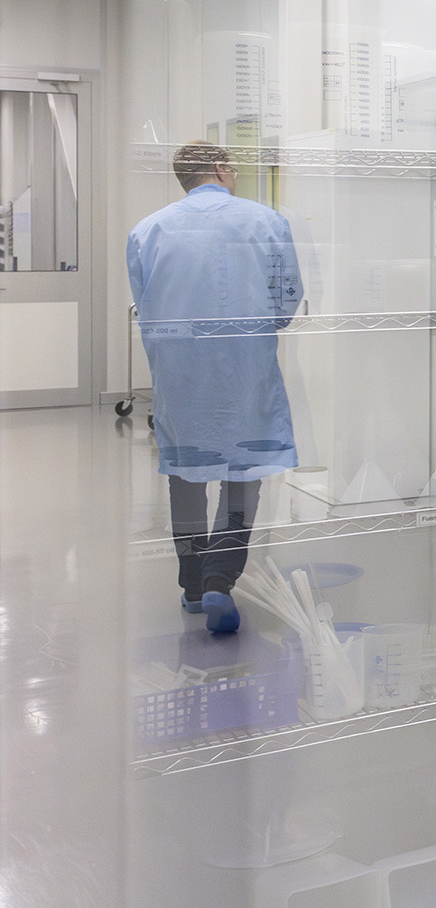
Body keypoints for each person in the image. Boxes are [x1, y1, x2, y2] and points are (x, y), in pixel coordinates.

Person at [129, 142, 302, 634]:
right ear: (224, 170)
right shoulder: (266, 221)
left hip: (179, 370)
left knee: (184, 472)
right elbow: (287, 301)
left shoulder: (147, 230)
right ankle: (219, 580)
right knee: (242, 470)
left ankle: (190, 585)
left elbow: (144, 304)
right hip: (245, 368)